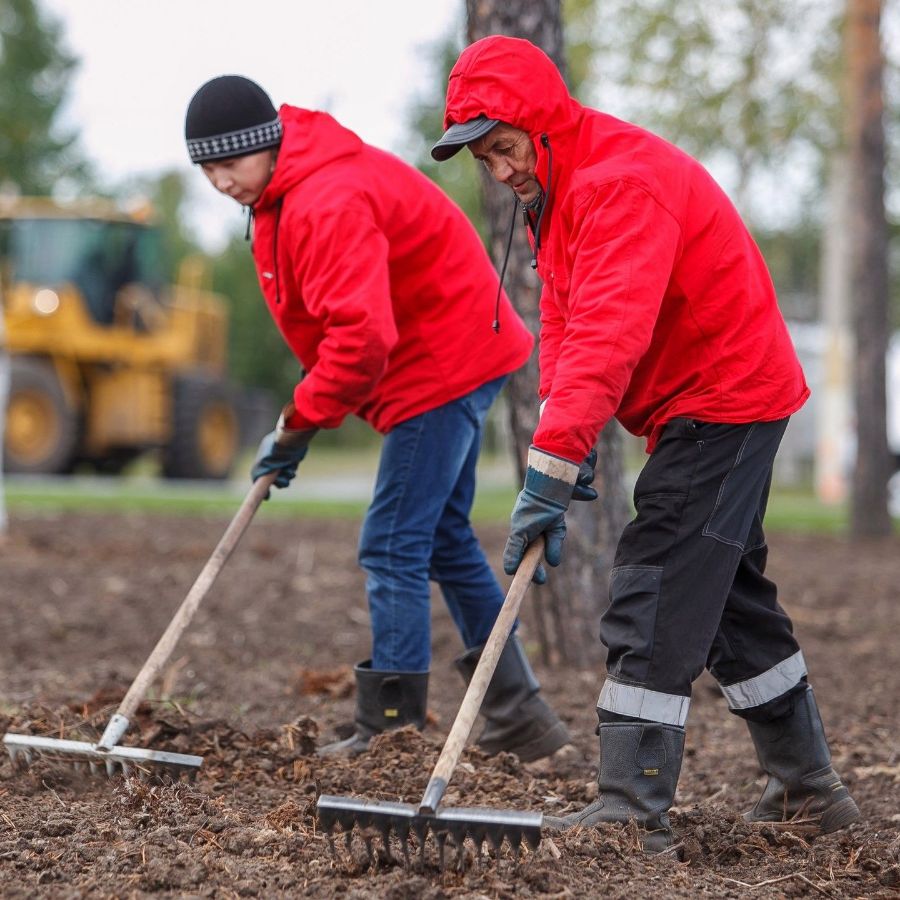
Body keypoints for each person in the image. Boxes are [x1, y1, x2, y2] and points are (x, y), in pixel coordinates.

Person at [432, 35, 859, 852]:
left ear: (541, 124)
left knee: (656, 578)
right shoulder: (557, 192)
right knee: (727, 598)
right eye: (487, 159)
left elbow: (607, 338)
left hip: (725, 396)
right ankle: (808, 789)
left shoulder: (616, 185)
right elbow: (563, 320)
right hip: (700, 402)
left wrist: (547, 476)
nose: (503, 171)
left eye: (507, 148)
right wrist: (571, 437)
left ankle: (632, 807)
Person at [184, 75, 571, 762]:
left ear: (266, 145)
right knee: (443, 538)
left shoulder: (324, 198)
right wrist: (299, 424)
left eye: (230, 164)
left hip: (442, 365)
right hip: (456, 353)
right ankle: (521, 714)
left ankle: (391, 732)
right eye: (207, 169)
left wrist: (297, 422)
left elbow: (361, 340)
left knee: (392, 541)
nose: (220, 182)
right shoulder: (285, 191)